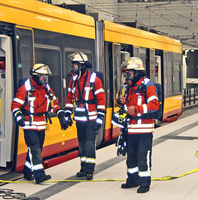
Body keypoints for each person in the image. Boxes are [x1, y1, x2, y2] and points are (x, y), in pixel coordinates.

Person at [11, 63, 68, 184]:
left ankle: (27, 171)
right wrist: (19, 118)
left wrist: (60, 114)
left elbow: (54, 105)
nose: (45, 79)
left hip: (41, 124)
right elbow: (15, 106)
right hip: (29, 124)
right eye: (43, 77)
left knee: (35, 150)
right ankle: (39, 174)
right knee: (35, 149)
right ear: (36, 76)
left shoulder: (46, 88)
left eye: (46, 77)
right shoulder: (24, 88)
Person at [116, 57, 159, 193]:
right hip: (131, 129)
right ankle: (132, 180)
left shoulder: (148, 86)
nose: (127, 75)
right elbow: (126, 106)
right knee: (131, 157)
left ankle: (144, 183)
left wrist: (138, 109)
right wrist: (120, 101)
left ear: (138, 72)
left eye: (130, 73)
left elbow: (154, 105)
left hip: (145, 129)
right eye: (126, 73)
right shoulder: (129, 87)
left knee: (143, 157)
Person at [64, 52, 106, 180]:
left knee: (89, 143)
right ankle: (83, 167)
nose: (73, 67)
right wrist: (67, 114)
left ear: (81, 66)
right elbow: (70, 98)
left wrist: (100, 119)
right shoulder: (73, 80)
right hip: (80, 118)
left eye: (75, 65)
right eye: (73, 65)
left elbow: (101, 100)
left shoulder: (94, 80)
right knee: (81, 144)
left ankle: (90, 170)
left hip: (92, 118)